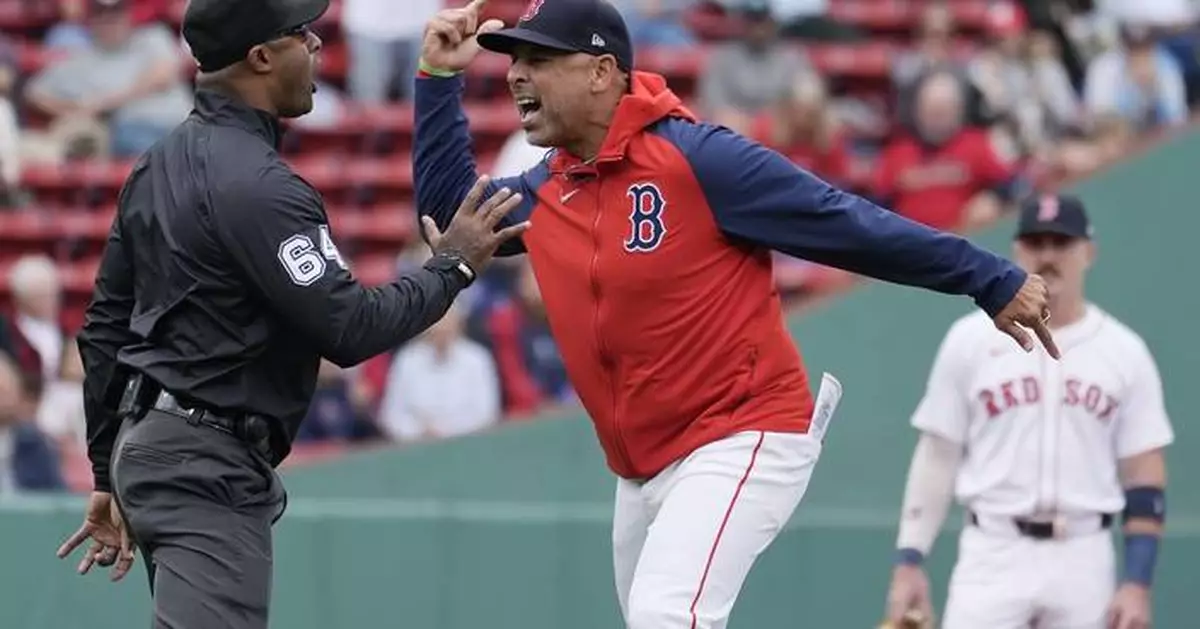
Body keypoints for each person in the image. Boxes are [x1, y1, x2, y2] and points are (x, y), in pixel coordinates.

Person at [414, 1, 1058, 627]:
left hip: (741, 432)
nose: (516, 74)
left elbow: (846, 222)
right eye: (514, 60)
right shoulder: (549, 186)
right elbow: (451, 222)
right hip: (640, 466)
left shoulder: (699, 158)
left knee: (666, 617)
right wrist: (439, 79)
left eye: (538, 58)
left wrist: (988, 277)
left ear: (601, 72)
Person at [53, 0, 527, 626]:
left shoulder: (155, 165)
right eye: (302, 36)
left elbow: (105, 329)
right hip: (204, 461)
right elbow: (350, 327)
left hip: (154, 451)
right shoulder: (262, 185)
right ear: (261, 57)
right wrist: (454, 266)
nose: (315, 48)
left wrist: (107, 468)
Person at [883, 195, 1172, 629]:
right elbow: (938, 455)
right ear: (1017, 249)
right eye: (1037, 242)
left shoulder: (1124, 352)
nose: (1048, 255)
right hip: (993, 550)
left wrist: (1137, 583)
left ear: (1088, 252)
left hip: (1083, 552)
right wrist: (909, 558)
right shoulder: (970, 341)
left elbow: (1144, 475)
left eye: (1062, 243)